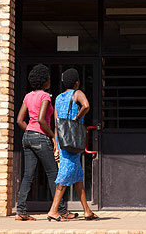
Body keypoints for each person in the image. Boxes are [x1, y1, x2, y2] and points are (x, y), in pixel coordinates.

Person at [15, 64, 77, 221]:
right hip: (41, 137)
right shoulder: (46, 96)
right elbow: (42, 119)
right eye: (48, 77)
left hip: (27, 137)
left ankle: (21, 211)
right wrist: (50, 135)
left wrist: (30, 130)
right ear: (44, 80)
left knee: (28, 175)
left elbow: (19, 120)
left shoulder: (28, 96)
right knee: (53, 174)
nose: (50, 79)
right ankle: (61, 211)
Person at [47, 68, 98, 221]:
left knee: (78, 176)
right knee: (65, 173)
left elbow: (56, 123)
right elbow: (87, 106)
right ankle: (53, 210)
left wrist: (55, 145)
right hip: (72, 139)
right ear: (77, 82)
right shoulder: (77, 93)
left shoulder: (58, 98)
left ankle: (87, 211)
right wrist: (77, 117)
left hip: (62, 140)